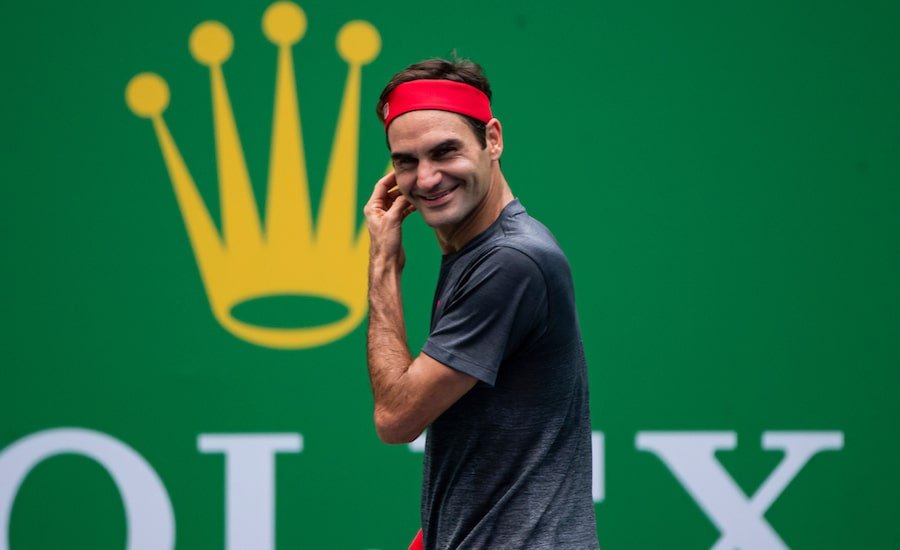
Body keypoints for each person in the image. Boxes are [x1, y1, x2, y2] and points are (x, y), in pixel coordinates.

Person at [364, 57, 599, 549]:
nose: (426, 179)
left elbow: (396, 417)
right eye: (406, 161)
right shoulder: (479, 253)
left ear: (492, 140)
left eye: (445, 151)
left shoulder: (511, 261)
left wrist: (384, 265)